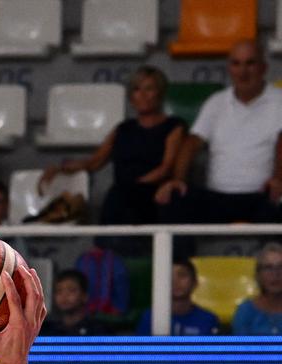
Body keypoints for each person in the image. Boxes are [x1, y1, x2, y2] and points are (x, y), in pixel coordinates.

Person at [156, 40, 282, 225]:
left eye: (250, 63)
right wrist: (178, 180)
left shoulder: (279, 100)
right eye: (236, 64)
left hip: (263, 196)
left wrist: (278, 179)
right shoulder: (216, 102)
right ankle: (179, 256)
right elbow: (191, 143)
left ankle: (274, 255)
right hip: (217, 197)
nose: (243, 71)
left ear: (263, 67)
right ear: (229, 69)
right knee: (173, 197)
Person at [41, 66, 185, 226]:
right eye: (137, 89)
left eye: (149, 89)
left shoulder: (174, 127)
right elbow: (94, 162)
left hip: (154, 194)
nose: (143, 95)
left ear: (160, 93)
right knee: (116, 198)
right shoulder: (122, 129)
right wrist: (60, 169)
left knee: (121, 198)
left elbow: (166, 167)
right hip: (122, 195)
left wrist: (134, 186)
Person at [136, 258, 219, 335]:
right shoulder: (150, 317)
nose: (175, 281)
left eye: (182, 275)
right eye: (169, 276)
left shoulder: (208, 319)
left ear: (195, 283)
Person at [41, 270, 111, 336]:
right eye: (59, 291)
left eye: (71, 290)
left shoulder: (98, 331)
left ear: (84, 296)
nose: (64, 296)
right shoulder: (46, 330)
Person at [233, 242, 282, 334]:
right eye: (268, 267)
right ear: (258, 275)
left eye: (281, 267)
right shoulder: (245, 312)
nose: (275, 274)